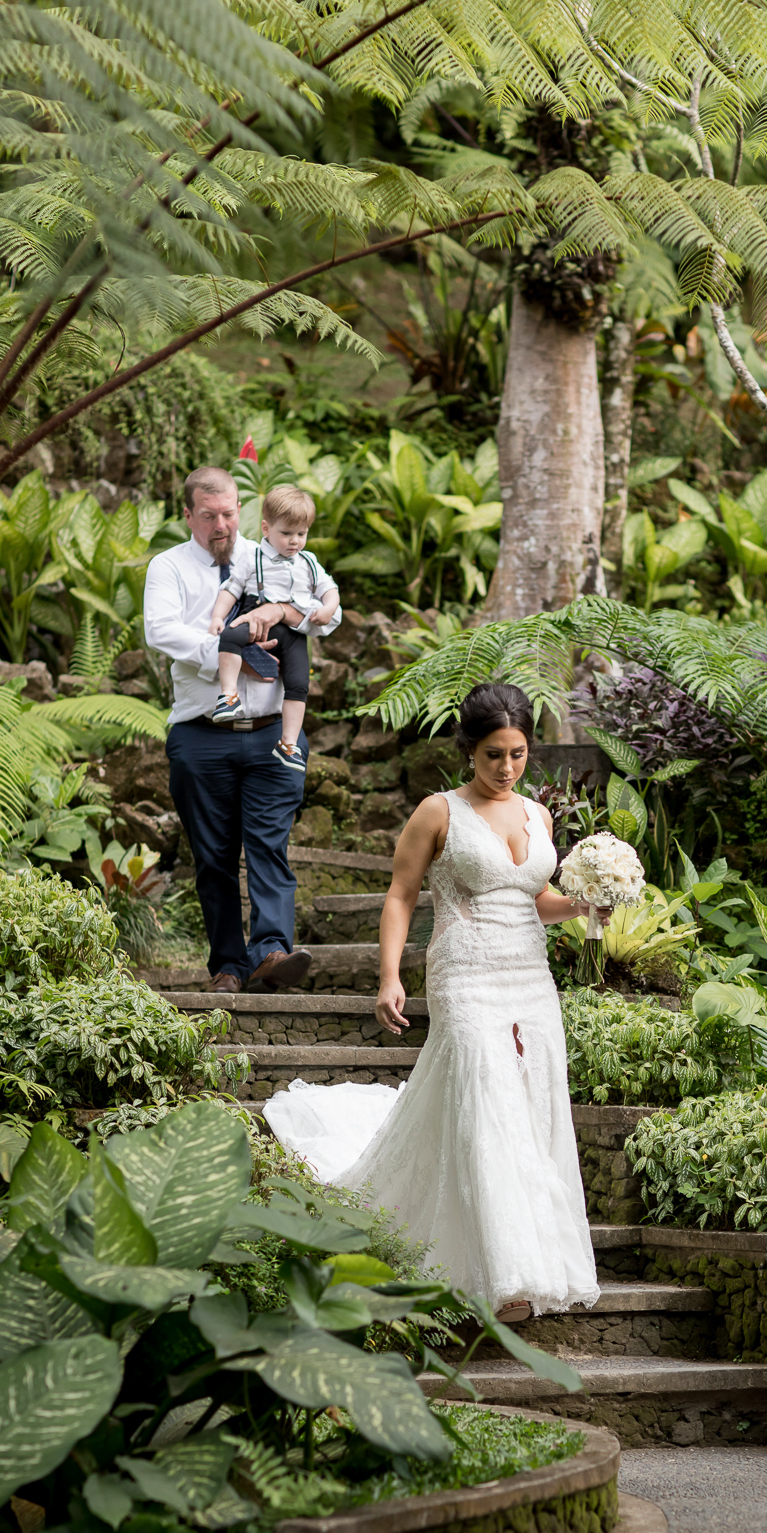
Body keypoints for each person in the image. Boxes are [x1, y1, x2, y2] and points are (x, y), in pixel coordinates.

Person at [263, 682, 606, 1319]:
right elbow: (400, 896)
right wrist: (388, 976)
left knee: (531, 1102)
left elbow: (536, 902)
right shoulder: (437, 811)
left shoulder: (539, 815)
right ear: (468, 752)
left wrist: (586, 905)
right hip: (464, 971)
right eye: (493, 756)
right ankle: (502, 1275)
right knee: (485, 1096)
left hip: (529, 974)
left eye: (519, 755)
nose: (506, 769)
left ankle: (529, 1258)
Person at [143, 465, 342, 994]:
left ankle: (272, 951)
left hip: (274, 729)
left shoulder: (274, 555)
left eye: (229, 513)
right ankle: (228, 966)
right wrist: (234, 651)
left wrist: (282, 608)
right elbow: (161, 630)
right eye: (208, 516)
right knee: (212, 856)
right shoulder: (168, 568)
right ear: (188, 515)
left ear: (242, 510)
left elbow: (330, 612)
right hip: (201, 734)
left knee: (269, 845)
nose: (221, 525)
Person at [209, 484, 340, 777]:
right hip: (255, 617)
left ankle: (288, 743)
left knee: (298, 682)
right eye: (287, 534)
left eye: (301, 534)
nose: (294, 541)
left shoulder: (309, 562)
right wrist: (218, 616)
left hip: (292, 631)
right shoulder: (252, 557)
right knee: (229, 636)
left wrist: (328, 607)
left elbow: (330, 590)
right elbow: (230, 589)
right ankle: (228, 695)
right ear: (266, 528)